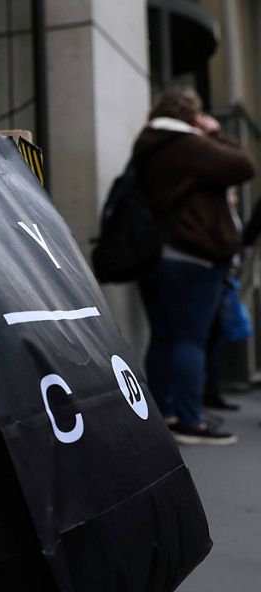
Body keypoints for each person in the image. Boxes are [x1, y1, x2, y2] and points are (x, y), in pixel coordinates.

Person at [135, 86, 255, 446]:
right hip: (194, 257)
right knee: (191, 338)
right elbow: (244, 165)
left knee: (164, 337)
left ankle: (163, 414)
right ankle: (191, 421)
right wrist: (216, 132)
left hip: (158, 256)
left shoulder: (149, 143)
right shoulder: (189, 145)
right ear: (192, 115)